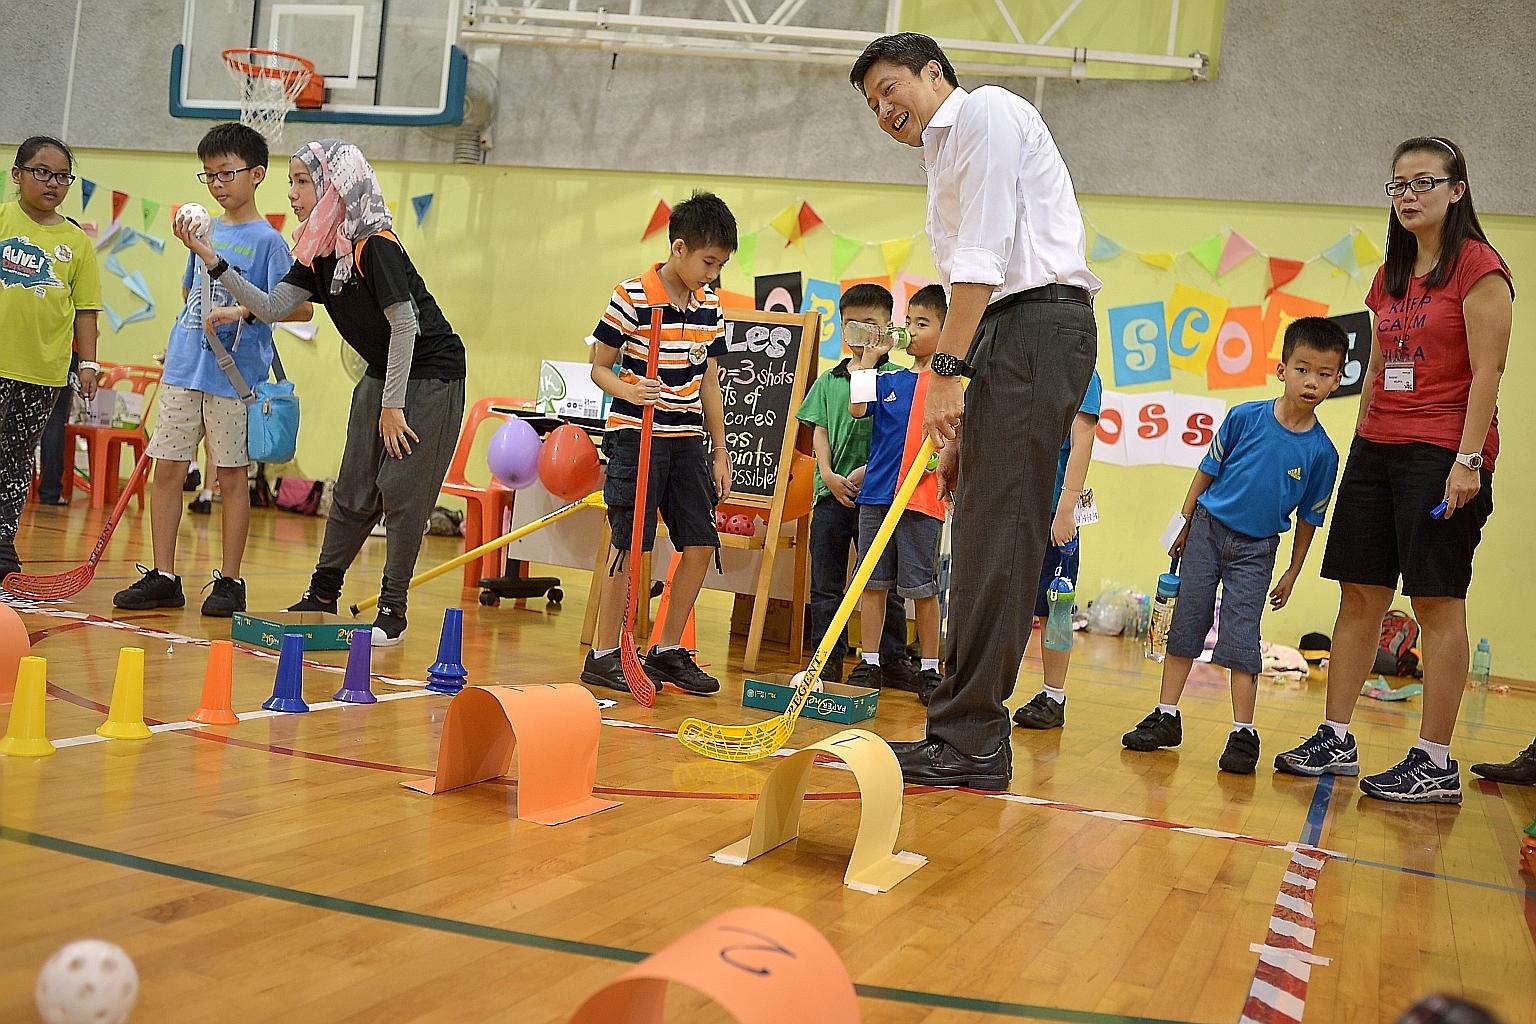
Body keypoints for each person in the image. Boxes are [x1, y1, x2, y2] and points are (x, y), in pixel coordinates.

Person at [850, 33, 1099, 789]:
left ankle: (974, 742)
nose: (885, 109)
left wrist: (949, 372)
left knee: (1000, 538)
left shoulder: (986, 111)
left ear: (935, 74)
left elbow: (982, 261)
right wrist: (962, 405)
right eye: (873, 105)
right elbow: (975, 277)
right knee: (984, 528)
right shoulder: (939, 157)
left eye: (892, 88)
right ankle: (960, 731)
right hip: (1005, 333)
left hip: (1032, 324)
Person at [1275, 137, 1513, 804]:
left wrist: (1467, 460)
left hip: (1443, 453)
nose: (1409, 195)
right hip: (1377, 449)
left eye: (1424, 183)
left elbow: (1488, 371)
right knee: (1360, 593)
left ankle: (1435, 760)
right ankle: (1335, 735)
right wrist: (1360, 445)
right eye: (1399, 185)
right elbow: (1379, 370)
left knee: (1436, 602)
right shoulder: (1390, 275)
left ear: (1457, 191)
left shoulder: (1479, 268)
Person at [175, 139, 467, 646]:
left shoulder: (375, 245)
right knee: (353, 487)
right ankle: (322, 592)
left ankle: (392, 611)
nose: (291, 193)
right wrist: (208, 255)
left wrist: (393, 406)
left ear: (336, 187)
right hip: (384, 372)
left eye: (303, 182)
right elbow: (270, 307)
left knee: (401, 491)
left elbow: (406, 325)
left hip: (430, 375)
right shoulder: (315, 251)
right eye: (291, 182)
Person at [1121, 319, 1345, 773]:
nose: (1312, 382)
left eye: (1325, 374)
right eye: (1303, 369)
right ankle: (1166, 715)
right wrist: (1183, 521)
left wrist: (1293, 571)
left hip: (1257, 550)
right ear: (1282, 369)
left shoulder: (1322, 453)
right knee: (1187, 622)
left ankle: (1244, 732)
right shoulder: (1244, 417)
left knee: (1242, 639)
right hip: (1206, 530)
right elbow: (1206, 470)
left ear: (1338, 381)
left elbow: (1309, 520)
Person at [114, 123, 309, 617]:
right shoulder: (202, 229)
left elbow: (298, 309)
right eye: (210, 176)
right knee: (168, 472)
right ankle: (164, 575)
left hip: (234, 381)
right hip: (184, 370)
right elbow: (189, 292)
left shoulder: (268, 242)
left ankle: (231, 581)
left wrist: (241, 312)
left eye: (227, 172)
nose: (218, 184)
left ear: (257, 174)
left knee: (231, 477)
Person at [579, 192, 735, 698]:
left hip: (688, 438)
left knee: (700, 543)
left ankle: (666, 648)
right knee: (631, 545)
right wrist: (630, 389)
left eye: (721, 265)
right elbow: (599, 367)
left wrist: (720, 448)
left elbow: (709, 376)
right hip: (635, 436)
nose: (712, 274)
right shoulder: (632, 296)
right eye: (708, 262)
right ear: (680, 247)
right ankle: (604, 656)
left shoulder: (709, 303)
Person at [796, 283, 914, 687]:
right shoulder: (830, 380)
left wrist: (867, 471)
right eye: (852, 326)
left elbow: (899, 438)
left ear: (887, 329)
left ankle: (891, 657)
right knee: (826, 581)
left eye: (871, 326)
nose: (862, 334)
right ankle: (827, 655)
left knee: (883, 580)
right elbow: (820, 431)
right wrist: (828, 474)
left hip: (880, 495)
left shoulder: (899, 379)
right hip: (831, 495)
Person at [0, 136, 101, 580]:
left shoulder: (76, 243)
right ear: (17, 174)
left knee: (17, 460)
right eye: (42, 171)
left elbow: (86, 311)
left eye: (62, 176)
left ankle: (2, 546)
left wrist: (89, 364)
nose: (53, 183)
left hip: (43, 374)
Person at [848, 284, 949, 702]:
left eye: (922, 323)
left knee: (922, 588)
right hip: (877, 497)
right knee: (872, 583)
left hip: (922, 502)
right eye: (908, 321)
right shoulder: (891, 378)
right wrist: (867, 361)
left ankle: (929, 667)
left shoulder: (949, 387)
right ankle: (869, 660)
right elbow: (857, 409)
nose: (910, 330)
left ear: (948, 333)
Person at [1011, 369, 1102, 730]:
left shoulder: (1083, 375)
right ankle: (991, 689)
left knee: (1055, 607)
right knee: (1011, 604)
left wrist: (1065, 511)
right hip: (1016, 505)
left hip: (1054, 513)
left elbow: (1084, 441)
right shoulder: (1024, 363)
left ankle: (1054, 694)